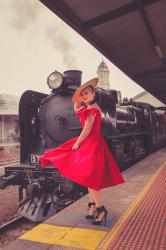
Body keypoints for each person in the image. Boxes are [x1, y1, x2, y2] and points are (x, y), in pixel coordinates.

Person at [39, 78, 125, 225]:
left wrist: (77, 143)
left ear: (93, 94)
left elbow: (87, 129)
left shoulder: (92, 110)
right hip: (90, 144)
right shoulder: (89, 108)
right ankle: (92, 206)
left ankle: (101, 209)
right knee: (87, 177)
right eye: (83, 94)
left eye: (87, 94)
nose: (85, 96)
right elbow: (76, 110)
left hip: (92, 144)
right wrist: (77, 99)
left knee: (90, 178)